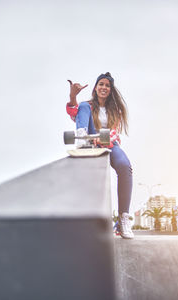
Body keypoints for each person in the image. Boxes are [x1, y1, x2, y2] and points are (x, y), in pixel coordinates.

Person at [66, 72, 134, 239]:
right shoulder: (87, 106)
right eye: (101, 84)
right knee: (82, 105)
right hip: (89, 138)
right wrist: (72, 96)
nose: (104, 87)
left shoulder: (115, 110)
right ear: (95, 88)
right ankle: (82, 137)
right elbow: (74, 113)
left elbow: (114, 133)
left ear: (110, 90)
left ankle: (123, 218)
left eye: (107, 85)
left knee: (125, 167)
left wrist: (101, 141)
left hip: (109, 143)